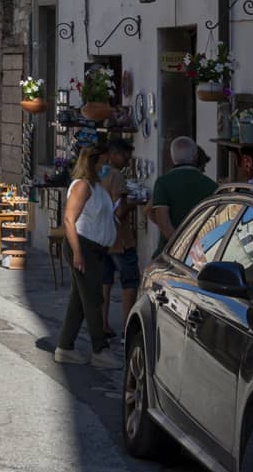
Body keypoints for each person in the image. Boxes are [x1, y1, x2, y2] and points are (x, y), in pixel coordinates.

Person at [55, 145, 120, 367]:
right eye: (102, 162)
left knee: (79, 301)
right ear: (91, 163)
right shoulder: (82, 186)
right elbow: (69, 220)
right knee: (93, 299)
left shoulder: (97, 187)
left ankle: (65, 346)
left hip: (95, 250)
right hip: (83, 247)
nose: (105, 167)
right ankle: (100, 350)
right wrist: (77, 253)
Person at [100, 138, 141, 339]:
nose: (127, 160)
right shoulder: (116, 176)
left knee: (105, 282)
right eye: (125, 156)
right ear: (114, 154)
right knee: (130, 281)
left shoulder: (101, 173)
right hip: (120, 239)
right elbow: (120, 210)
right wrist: (134, 203)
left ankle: (103, 324)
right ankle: (128, 328)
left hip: (102, 238)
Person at [148, 136, 217, 253]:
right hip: (201, 254)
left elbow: (163, 223)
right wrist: (193, 251)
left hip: (169, 252)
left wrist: (182, 248)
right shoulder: (212, 186)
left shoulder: (163, 182)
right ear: (196, 157)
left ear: (172, 157)